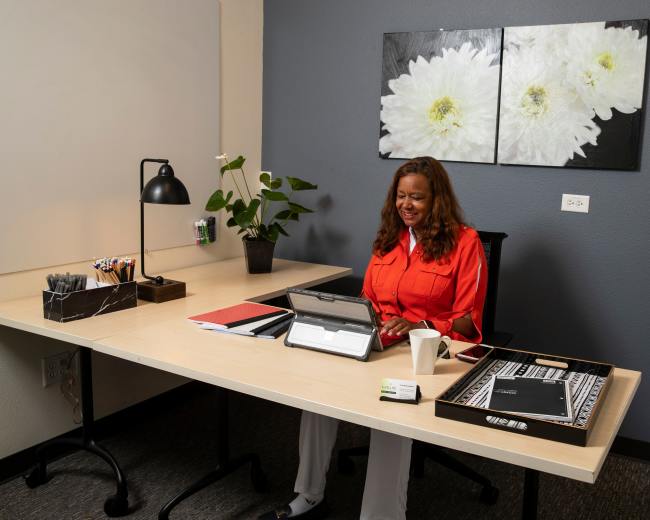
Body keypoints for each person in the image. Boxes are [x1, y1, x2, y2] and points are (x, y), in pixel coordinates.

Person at [259, 156, 487, 520]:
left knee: (392, 413)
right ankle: (309, 495)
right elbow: (367, 300)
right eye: (400, 196)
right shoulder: (387, 239)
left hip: (426, 352)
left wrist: (420, 326)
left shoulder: (465, 243)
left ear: (437, 200)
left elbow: (467, 323)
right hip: (375, 342)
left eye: (417, 197)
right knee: (317, 394)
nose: (406, 205)